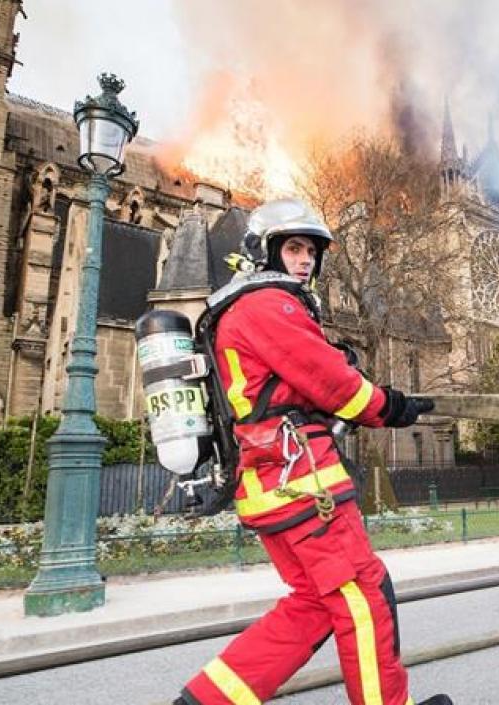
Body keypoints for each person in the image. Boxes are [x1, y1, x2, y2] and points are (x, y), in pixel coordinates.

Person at [174, 198, 450, 705]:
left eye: (312, 252)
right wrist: (392, 405)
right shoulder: (268, 305)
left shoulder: (245, 308)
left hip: (273, 487)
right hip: (303, 484)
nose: (305, 261)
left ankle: (207, 700)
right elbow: (336, 385)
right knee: (364, 596)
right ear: (265, 251)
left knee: (316, 604)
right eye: (294, 248)